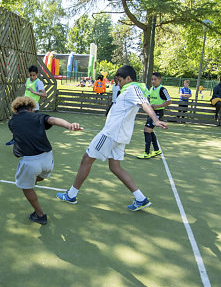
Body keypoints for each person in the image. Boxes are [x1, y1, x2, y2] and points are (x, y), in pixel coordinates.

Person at [56, 65, 168, 211]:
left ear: (128, 78)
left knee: (86, 159)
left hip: (111, 134)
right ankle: (140, 198)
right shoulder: (131, 89)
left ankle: (71, 195)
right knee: (115, 167)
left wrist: (155, 119)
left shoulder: (133, 89)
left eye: (120, 80)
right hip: (119, 136)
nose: (118, 83)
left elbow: (145, 104)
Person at [8, 96, 82, 225]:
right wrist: (69, 125)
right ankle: (35, 181)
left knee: (26, 188)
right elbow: (53, 120)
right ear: (31, 108)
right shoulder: (38, 117)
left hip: (30, 161)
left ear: (16, 110)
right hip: (48, 158)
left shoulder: (12, 122)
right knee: (39, 176)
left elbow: (18, 129)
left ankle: (40, 215)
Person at [6, 65, 47, 146]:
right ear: (28, 74)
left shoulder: (39, 82)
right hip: (24, 106)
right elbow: (26, 92)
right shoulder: (28, 80)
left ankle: (34, 142)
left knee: (30, 127)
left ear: (37, 75)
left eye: (34, 75)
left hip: (33, 108)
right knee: (13, 122)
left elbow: (45, 94)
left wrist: (34, 92)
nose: (32, 77)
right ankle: (15, 139)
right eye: (30, 75)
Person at [137, 72, 171, 159]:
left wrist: (157, 106)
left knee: (147, 130)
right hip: (152, 112)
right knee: (150, 130)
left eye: (155, 79)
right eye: (152, 79)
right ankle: (156, 150)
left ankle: (147, 152)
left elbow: (169, 101)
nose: (153, 81)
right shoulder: (151, 89)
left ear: (160, 80)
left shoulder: (162, 89)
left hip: (158, 112)